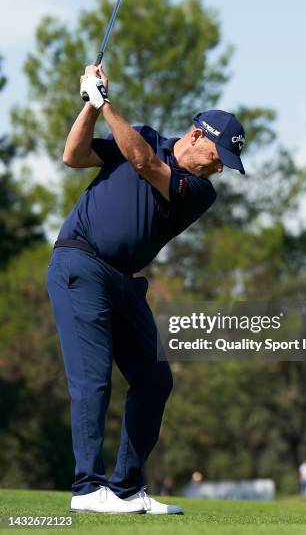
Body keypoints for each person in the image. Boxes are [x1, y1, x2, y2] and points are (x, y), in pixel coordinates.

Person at [46, 64, 246, 515]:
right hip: (80, 264)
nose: (219, 168)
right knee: (93, 379)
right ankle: (86, 488)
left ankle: (127, 488)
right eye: (218, 156)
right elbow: (73, 156)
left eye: (225, 165)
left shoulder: (199, 191)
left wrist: (104, 103)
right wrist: (90, 107)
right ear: (196, 135)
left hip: (123, 282)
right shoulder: (140, 136)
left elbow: (144, 163)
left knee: (154, 379)